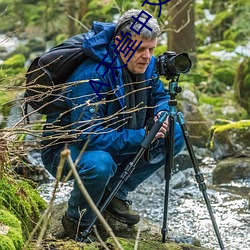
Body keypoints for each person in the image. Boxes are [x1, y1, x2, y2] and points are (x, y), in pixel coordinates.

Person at [41, 9, 185, 241]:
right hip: (67, 150)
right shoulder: (92, 76)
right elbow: (87, 136)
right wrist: (142, 135)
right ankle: (76, 221)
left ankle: (115, 193)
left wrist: (161, 114)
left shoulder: (145, 64)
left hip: (117, 136)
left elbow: (159, 96)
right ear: (120, 43)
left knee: (175, 132)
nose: (148, 56)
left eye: (152, 49)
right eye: (140, 49)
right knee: (100, 164)